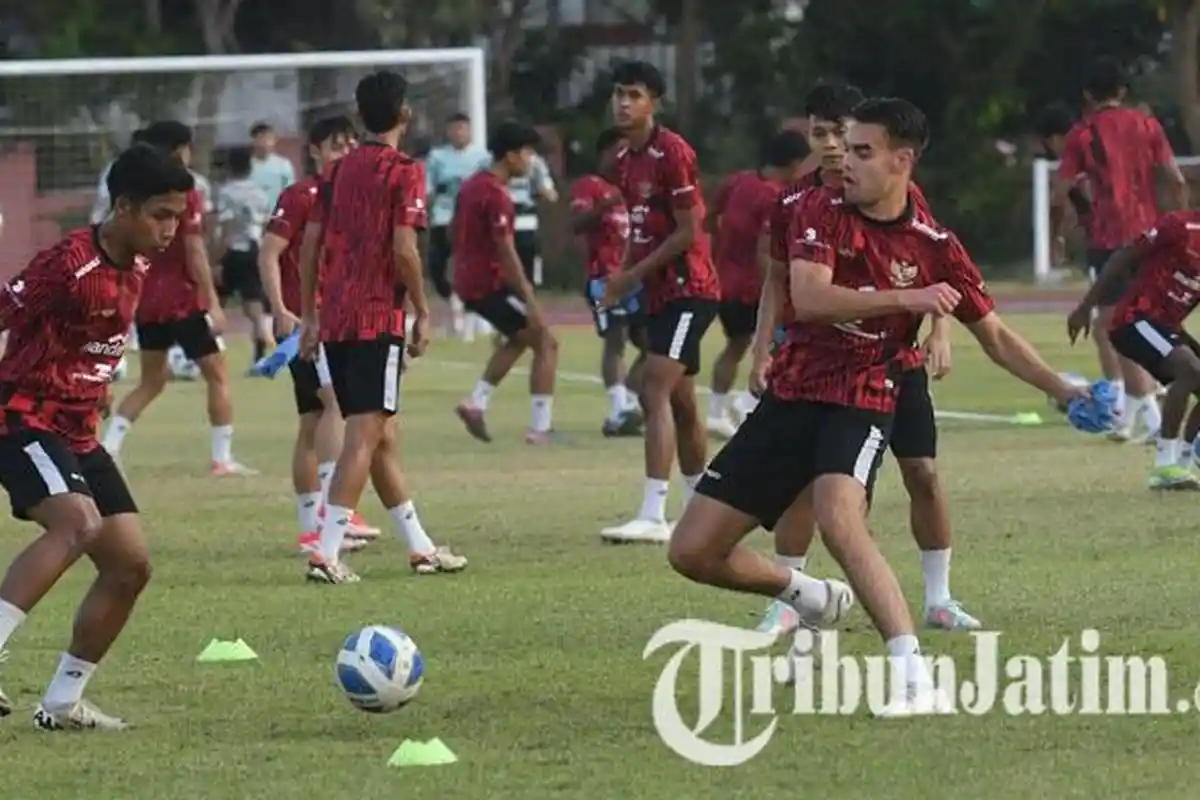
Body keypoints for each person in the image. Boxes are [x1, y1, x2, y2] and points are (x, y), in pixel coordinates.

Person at [672, 97, 1086, 716]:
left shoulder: (935, 243)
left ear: (902, 160)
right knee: (691, 553)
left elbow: (994, 335)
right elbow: (807, 298)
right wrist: (913, 297)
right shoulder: (820, 207)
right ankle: (808, 594)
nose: (843, 159)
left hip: (862, 395)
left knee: (841, 516)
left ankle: (915, 679)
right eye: (843, 146)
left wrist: (1064, 391)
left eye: (862, 151)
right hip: (792, 393)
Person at [750, 84, 979, 637]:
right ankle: (790, 593)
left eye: (841, 134)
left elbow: (932, 264)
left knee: (922, 473)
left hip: (895, 360)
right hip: (824, 369)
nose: (831, 146)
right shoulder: (795, 203)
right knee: (818, 489)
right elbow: (779, 282)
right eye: (819, 133)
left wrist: (940, 329)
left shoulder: (896, 193)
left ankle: (940, 597)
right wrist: (762, 348)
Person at [0, 144, 193, 729]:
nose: (171, 229)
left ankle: (61, 703)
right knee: (77, 523)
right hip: (23, 419)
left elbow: (90, 338)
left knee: (130, 566)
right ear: (125, 208)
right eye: (161, 215)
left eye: (178, 217)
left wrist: (97, 378)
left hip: (80, 430)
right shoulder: (68, 264)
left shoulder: (135, 263)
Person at [297, 70, 466, 584]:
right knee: (364, 437)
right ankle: (326, 554)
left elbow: (310, 245)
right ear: (405, 114)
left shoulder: (338, 170)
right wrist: (422, 309)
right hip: (375, 318)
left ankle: (421, 547)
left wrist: (309, 314)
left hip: (338, 317)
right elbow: (403, 248)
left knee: (380, 436)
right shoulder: (404, 171)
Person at [599, 61, 722, 544]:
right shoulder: (625, 160)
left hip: (690, 288)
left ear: (655, 103)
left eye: (633, 94)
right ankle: (702, 507)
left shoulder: (673, 152)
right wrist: (622, 273)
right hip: (658, 291)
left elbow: (689, 229)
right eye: (618, 94)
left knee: (653, 388)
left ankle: (654, 512)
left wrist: (630, 273)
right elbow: (640, 227)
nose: (623, 103)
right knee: (684, 402)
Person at [101, 121, 256, 476]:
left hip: (148, 299)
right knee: (218, 375)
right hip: (183, 299)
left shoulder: (136, 195)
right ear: (179, 149)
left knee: (152, 381)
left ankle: (109, 446)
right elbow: (195, 250)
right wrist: (212, 301)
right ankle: (222, 458)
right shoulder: (184, 191)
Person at [258, 115, 381, 553]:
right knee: (334, 405)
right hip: (310, 323)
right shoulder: (301, 196)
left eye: (351, 145)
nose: (344, 153)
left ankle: (312, 525)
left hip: (343, 321)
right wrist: (280, 308)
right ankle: (334, 515)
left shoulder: (355, 198)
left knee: (312, 420)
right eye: (335, 146)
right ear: (314, 151)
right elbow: (270, 253)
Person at [1055, 57, 1187, 442]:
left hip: (1109, 241)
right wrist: (1176, 226)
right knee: (1149, 324)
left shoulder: (1082, 134)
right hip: (1150, 238)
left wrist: (1059, 234)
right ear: (1123, 91)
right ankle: (1139, 414)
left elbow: (1060, 193)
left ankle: (1151, 418)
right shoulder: (1148, 126)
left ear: (1087, 94)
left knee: (1118, 326)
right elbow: (1176, 181)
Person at [1068, 211, 1200, 489]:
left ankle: (1184, 465)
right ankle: (1165, 465)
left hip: (1167, 326)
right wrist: (1086, 306)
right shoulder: (1179, 227)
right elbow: (1123, 256)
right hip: (1134, 318)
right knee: (1190, 370)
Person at [451, 121, 560, 444]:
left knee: (518, 338)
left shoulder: (472, 185)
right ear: (511, 156)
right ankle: (540, 429)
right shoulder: (497, 196)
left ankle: (476, 403)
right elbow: (507, 252)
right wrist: (530, 299)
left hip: (469, 281)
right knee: (546, 341)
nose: (531, 161)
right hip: (490, 284)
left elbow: (452, 232)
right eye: (528, 153)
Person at [706, 129, 810, 438]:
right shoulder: (775, 196)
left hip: (724, 281)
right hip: (753, 286)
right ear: (794, 163)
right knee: (787, 344)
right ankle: (748, 400)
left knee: (735, 346)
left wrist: (723, 249)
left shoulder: (737, 180)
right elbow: (766, 252)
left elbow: (710, 218)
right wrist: (777, 291)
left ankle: (715, 412)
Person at [571, 126, 644, 438]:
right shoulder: (590, 185)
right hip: (603, 278)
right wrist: (605, 203)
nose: (625, 157)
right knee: (616, 338)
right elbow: (577, 224)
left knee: (653, 342)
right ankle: (618, 408)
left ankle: (628, 403)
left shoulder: (636, 188)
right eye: (620, 150)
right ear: (605, 153)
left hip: (634, 278)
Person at [425, 113, 490, 339]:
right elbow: (427, 187)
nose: (459, 133)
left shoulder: (482, 157)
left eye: (463, 128)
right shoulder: (437, 157)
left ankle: (469, 318)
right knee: (436, 266)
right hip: (443, 216)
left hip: (471, 219)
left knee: (470, 267)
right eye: (454, 129)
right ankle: (452, 301)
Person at [216, 145, 273, 369]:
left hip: (234, 251)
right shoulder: (260, 193)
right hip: (255, 250)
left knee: (215, 300)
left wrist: (217, 259)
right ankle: (259, 356)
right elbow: (268, 223)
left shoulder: (227, 192)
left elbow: (227, 227)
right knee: (254, 304)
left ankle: (204, 352)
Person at [249, 122, 297, 211]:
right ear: (253, 140)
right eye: (263, 138)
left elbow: (291, 193)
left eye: (270, 138)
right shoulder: (247, 166)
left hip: (276, 216)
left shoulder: (283, 165)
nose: (267, 142)